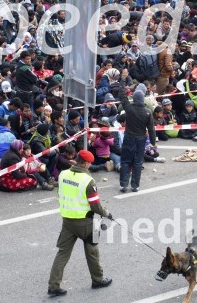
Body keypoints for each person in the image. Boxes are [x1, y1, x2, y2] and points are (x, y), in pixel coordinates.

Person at [47, 149, 113, 297]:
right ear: (87, 163)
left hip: (67, 221)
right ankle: (97, 280)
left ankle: (53, 285)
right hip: (85, 224)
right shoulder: (88, 181)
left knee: (62, 253)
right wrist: (107, 214)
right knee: (92, 252)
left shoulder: (63, 174)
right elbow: (95, 206)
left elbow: (61, 194)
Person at [118, 88, 157, 193]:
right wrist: (153, 142)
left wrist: (122, 82)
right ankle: (135, 186)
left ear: (134, 99)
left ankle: (123, 185)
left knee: (126, 161)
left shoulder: (129, 109)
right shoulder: (148, 112)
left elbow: (122, 97)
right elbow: (151, 129)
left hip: (129, 138)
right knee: (138, 162)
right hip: (141, 139)